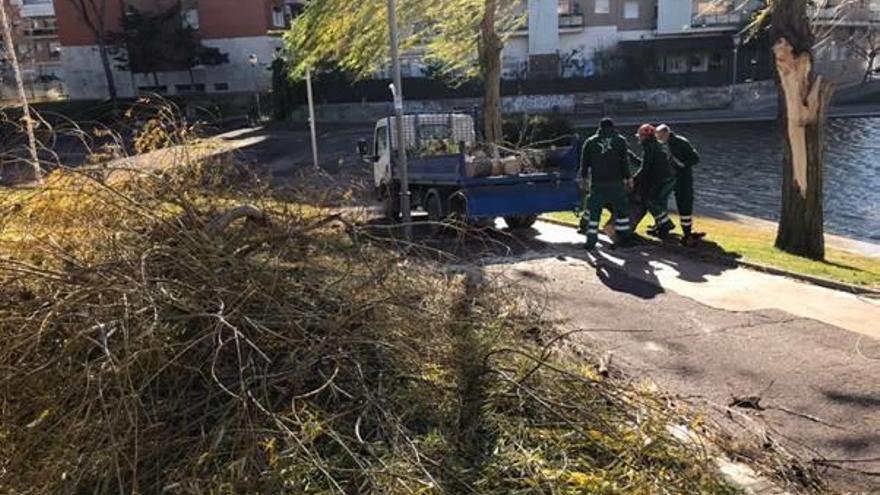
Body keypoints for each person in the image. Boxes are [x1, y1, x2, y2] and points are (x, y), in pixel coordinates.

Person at [578, 117, 634, 250]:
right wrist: (628, 178)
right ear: (613, 127)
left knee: (594, 211)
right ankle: (623, 237)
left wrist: (584, 179)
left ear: (600, 127)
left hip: (598, 183)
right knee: (621, 210)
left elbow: (584, 164)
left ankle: (591, 241)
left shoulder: (590, 142)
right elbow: (624, 162)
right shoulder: (620, 141)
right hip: (616, 183)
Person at [656, 124, 706, 246]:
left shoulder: (681, 142)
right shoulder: (665, 144)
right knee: (659, 200)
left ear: (666, 133)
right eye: (658, 136)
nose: (659, 139)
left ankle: (687, 234)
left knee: (684, 204)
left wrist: (682, 164)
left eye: (660, 136)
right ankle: (662, 226)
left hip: (683, 179)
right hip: (670, 179)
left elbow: (695, 158)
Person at [635, 124, 676, 238]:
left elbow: (645, 169)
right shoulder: (657, 145)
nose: (639, 138)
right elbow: (647, 165)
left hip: (664, 180)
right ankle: (661, 227)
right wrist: (632, 157)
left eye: (640, 136)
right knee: (660, 203)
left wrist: (634, 180)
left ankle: (666, 224)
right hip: (668, 178)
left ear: (645, 136)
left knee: (650, 201)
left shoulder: (650, 148)